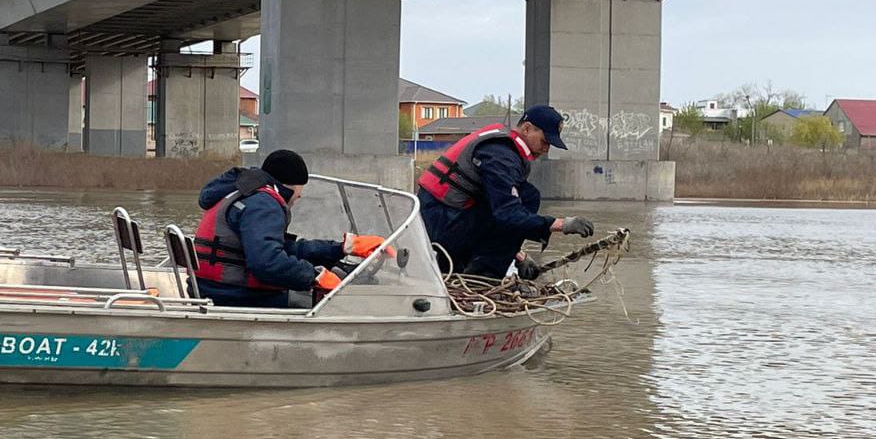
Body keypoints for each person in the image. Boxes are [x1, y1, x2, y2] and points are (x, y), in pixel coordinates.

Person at [417, 104, 596, 280]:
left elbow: (495, 210)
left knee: (527, 194)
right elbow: (507, 213)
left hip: (448, 219)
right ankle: (482, 279)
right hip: (441, 224)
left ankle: (474, 271)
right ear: (526, 129)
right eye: (544, 141)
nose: (546, 149)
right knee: (527, 199)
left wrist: (518, 256)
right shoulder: (501, 156)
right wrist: (562, 224)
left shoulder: (503, 147)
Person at [193, 149, 389, 308]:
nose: (300, 196)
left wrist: (339, 249)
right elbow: (267, 264)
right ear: (291, 185)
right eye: (301, 188)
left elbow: (280, 249)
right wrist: (314, 276)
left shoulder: (243, 194)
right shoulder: (264, 204)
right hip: (236, 295)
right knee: (333, 306)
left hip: (214, 288)